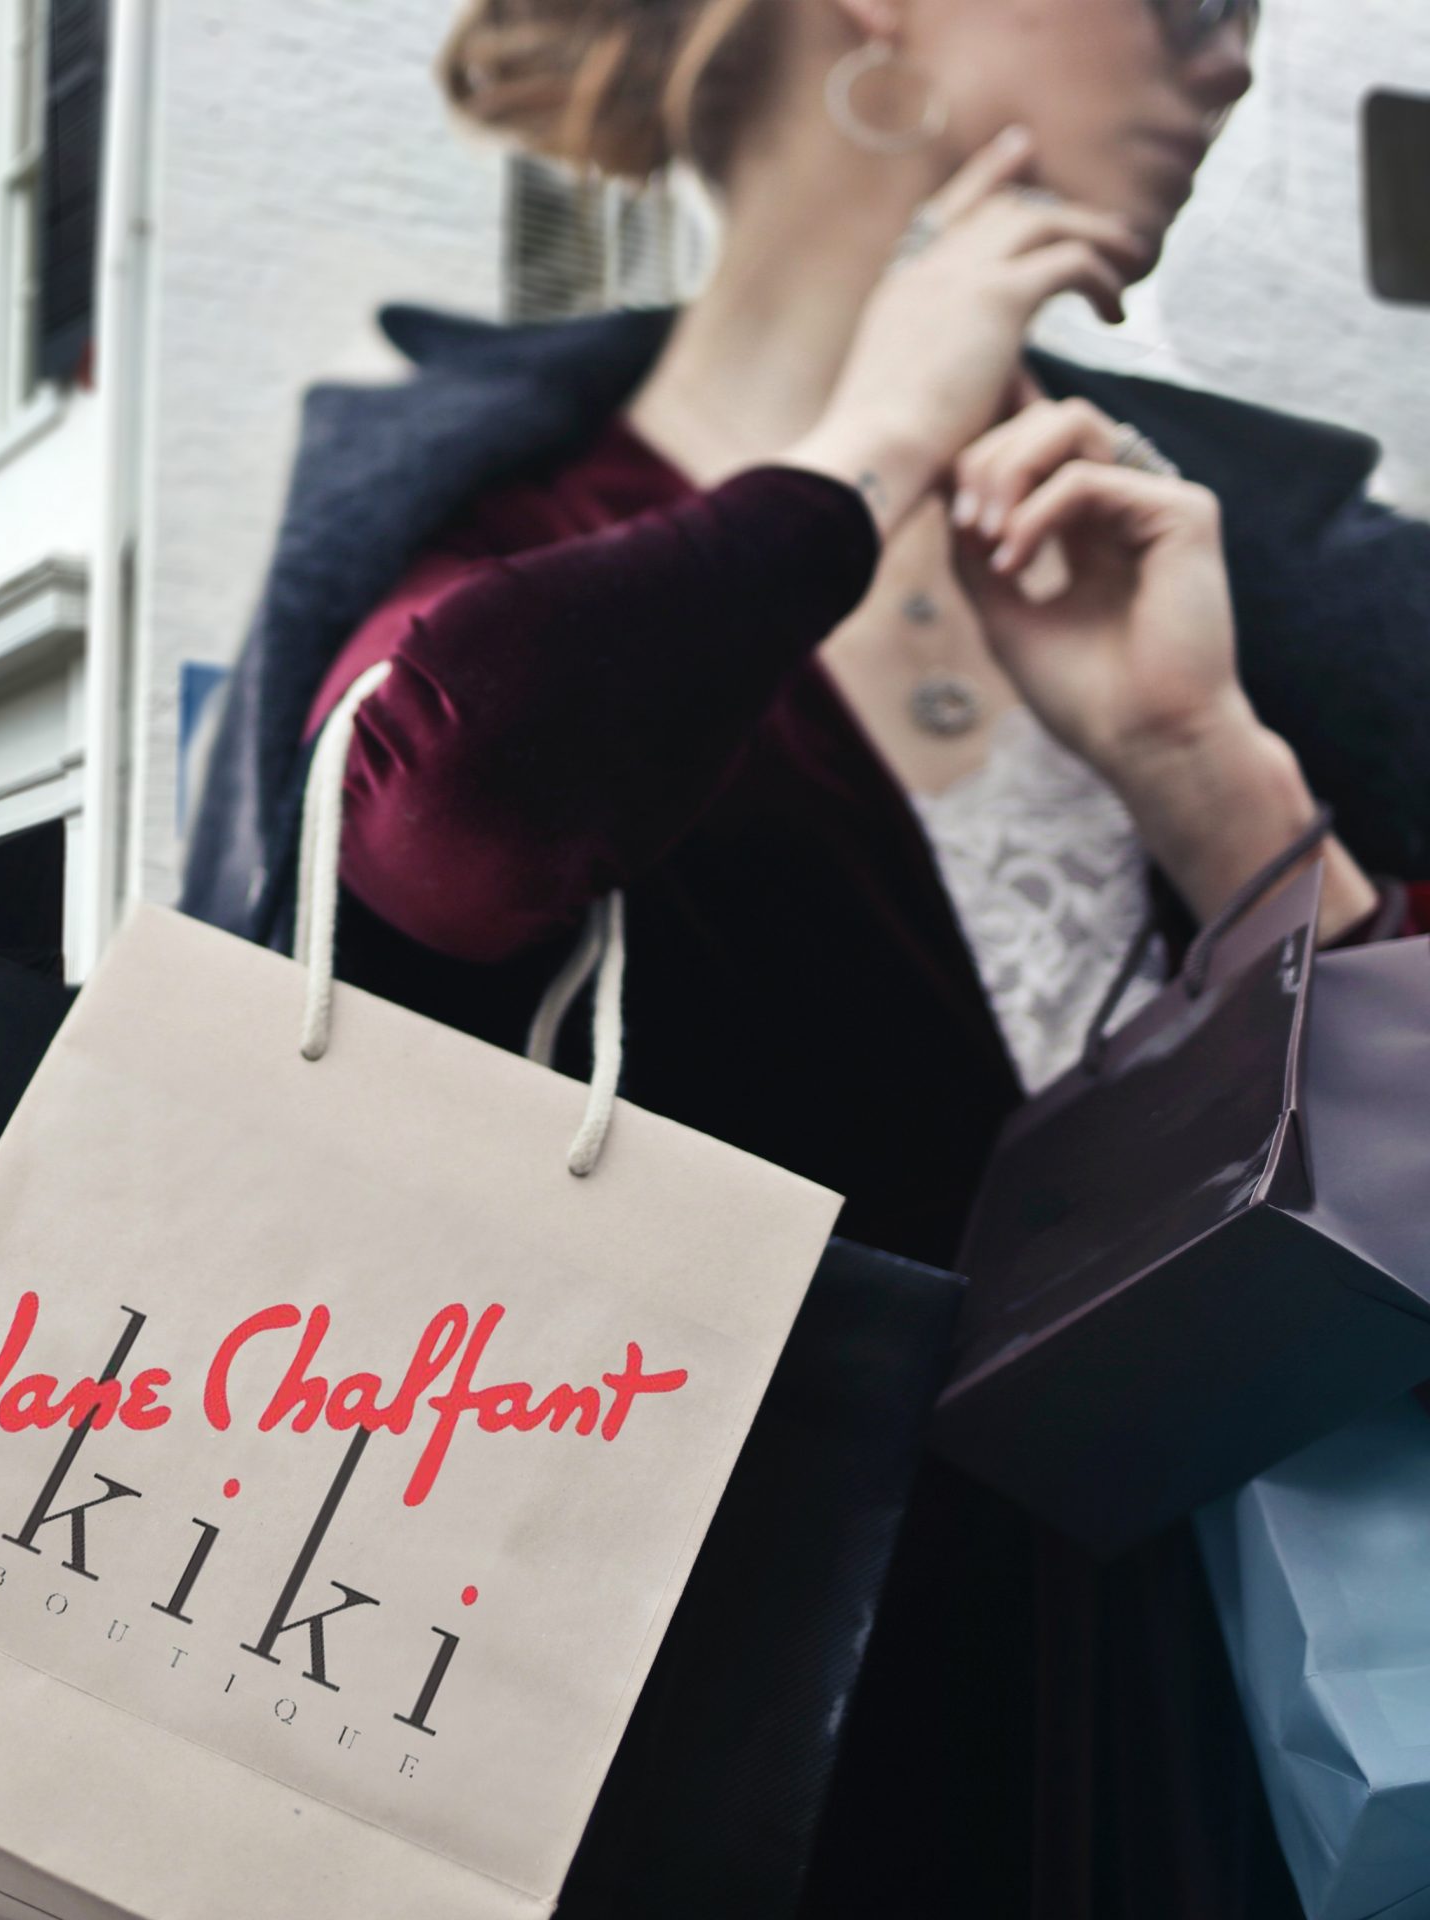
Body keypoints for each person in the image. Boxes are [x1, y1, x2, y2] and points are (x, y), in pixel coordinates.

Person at [180, 0, 1428, 1912]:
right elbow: (435, 827)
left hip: (1211, 1729)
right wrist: (851, 469)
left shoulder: (1224, 554)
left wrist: (1209, 781)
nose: (1233, 61)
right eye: (1186, 3)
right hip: (705, 1747)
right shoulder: (504, 541)